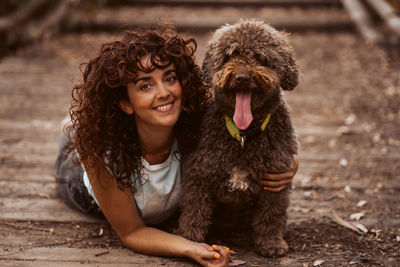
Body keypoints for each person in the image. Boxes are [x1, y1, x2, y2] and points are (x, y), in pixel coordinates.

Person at [55, 25, 298, 267]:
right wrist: (190, 247)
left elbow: (269, 148)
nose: (164, 93)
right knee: (72, 150)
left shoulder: (196, 117)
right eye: (145, 85)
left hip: (166, 202)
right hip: (81, 180)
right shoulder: (101, 155)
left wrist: (290, 164)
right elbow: (132, 232)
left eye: (170, 79)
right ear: (125, 103)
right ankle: (72, 132)